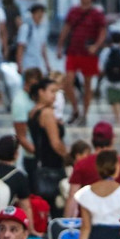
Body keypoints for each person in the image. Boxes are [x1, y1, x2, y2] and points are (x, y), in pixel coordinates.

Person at [65, 121, 120, 216]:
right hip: (118, 222)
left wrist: (66, 223)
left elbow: (72, 197)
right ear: (112, 139)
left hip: (88, 220)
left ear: (93, 140)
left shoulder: (81, 165)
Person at [57, 0, 107, 125]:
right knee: (68, 81)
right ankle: (75, 109)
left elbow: (103, 31)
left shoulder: (97, 14)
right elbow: (66, 29)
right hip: (73, 51)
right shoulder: (73, 12)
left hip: (88, 53)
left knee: (87, 84)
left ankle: (85, 113)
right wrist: (60, 46)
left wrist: (96, 46)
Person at [28, 76, 68, 212]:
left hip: (39, 162)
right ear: (41, 92)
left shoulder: (33, 112)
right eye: (52, 91)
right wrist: (70, 158)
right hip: (53, 165)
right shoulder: (47, 113)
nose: (55, 96)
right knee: (58, 206)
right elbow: (55, 143)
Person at [99, 30, 120, 127]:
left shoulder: (106, 51)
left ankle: (118, 119)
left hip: (110, 81)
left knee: (114, 101)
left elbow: (101, 68)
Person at [16, 2, 50, 75]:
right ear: (32, 14)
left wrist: (47, 64)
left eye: (42, 13)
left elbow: (43, 48)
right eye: (38, 13)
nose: (40, 15)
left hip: (39, 64)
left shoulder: (42, 29)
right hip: (28, 64)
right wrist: (19, 65)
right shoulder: (26, 28)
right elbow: (20, 47)